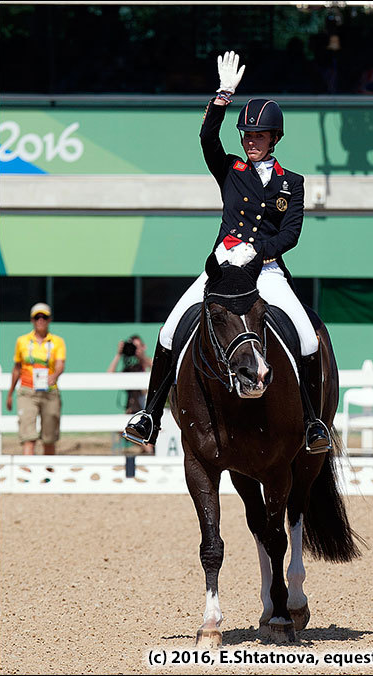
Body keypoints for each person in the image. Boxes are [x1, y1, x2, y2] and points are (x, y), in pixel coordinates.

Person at [125, 50, 331, 453]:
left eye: (259, 136)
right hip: (221, 268)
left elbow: (290, 234)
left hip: (265, 270)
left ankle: (312, 422)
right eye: (247, 136)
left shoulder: (292, 183)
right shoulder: (231, 170)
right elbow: (206, 138)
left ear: (274, 138)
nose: (251, 141)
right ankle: (150, 415)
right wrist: (222, 97)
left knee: (307, 338)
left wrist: (256, 252)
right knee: (169, 331)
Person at [6, 303, 66, 455]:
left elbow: (60, 365)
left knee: (49, 438)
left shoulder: (57, 342)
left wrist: (55, 375)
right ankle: (28, 476)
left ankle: (48, 476)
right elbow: (17, 368)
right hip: (27, 391)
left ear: (49, 320)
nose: (40, 320)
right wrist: (10, 393)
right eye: (37, 317)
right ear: (32, 320)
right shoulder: (22, 341)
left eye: (44, 317)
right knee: (28, 437)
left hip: (49, 392)